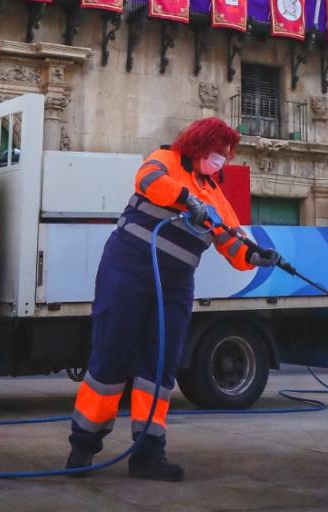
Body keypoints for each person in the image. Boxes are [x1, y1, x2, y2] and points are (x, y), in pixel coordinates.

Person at [65, 118, 280, 481]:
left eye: (225, 156)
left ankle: (148, 454)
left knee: (160, 368)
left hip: (175, 285)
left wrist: (256, 256)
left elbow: (232, 239)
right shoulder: (166, 159)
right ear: (198, 145)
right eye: (216, 153)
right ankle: (82, 448)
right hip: (127, 270)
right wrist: (185, 199)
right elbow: (146, 181)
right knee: (110, 357)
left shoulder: (214, 192)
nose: (220, 161)